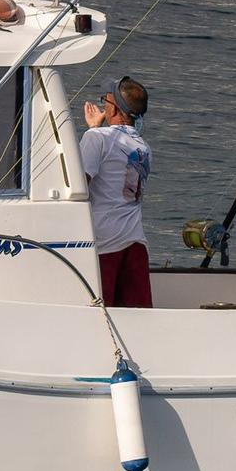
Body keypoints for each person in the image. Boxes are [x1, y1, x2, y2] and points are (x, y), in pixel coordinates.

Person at [80, 76, 153, 307]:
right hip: (135, 242)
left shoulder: (97, 138)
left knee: (99, 315)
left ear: (115, 108)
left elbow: (79, 186)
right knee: (136, 318)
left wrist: (93, 130)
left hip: (104, 244)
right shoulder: (143, 147)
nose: (103, 105)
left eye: (106, 101)